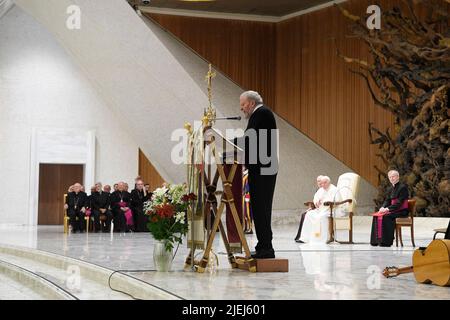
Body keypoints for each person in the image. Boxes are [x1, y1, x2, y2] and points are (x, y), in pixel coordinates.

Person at [238, 90, 278, 259]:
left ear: (251, 103)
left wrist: (231, 142)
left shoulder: (262, 113)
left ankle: (266, 248)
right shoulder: (260, 114)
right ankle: (263, 246)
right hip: (260, 168)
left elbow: (250, 138)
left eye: (243, 105)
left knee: (262, 209)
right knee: (259, 209)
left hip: (264, 169)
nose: (241, 109)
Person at [370, 170, 409, 247]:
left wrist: (387, 209)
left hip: (401, 211)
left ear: (398, 177)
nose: (392, 178)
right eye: (390, 177)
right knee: (376, 215)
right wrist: (383, 207)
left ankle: (386, 242)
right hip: (393, 210)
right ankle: (376, 240)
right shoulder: (390, 189)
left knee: (386, 216)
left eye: (393, 176)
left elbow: (399, 203)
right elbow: (387, 200)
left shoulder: (403, 187)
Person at [299, 176, 342, 244]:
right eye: (322, 183)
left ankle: (322, 239)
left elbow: (337, 200)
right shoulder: (321, 189)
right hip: (321, 209)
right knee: (309, 214)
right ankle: (307, 238)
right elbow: (315, 197)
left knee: (320, 217)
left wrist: (325, 201)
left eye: (325, 183)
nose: (323, 185)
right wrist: (317, 201)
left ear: (329, 182)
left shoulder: (334, 189)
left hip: (331, 210)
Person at [295, 175, 324, 243]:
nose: (319, 182)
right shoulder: (318, 190)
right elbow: (315, 201)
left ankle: (308, 236)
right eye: (318, 181)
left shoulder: (325, 190)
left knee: (306, 215)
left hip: (322, 210)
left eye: (320, 181)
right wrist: (311, 207)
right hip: (316, 208)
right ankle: (301, 236)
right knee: (304, 214)